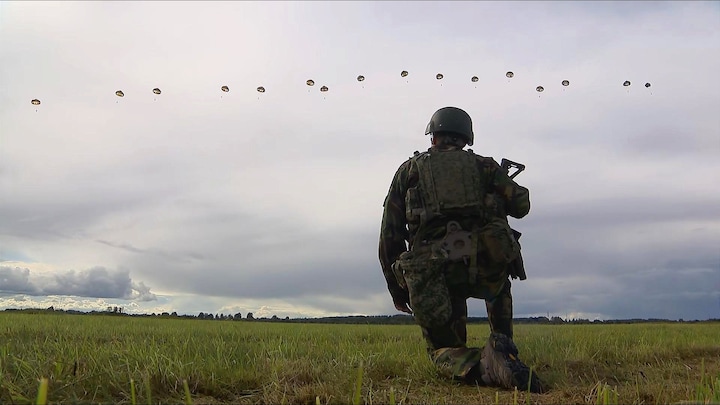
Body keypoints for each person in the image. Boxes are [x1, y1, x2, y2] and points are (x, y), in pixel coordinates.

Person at [378, 106, 546, 393]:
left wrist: (398, 288)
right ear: (467, 137)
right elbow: (522, 206)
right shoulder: (486, 167)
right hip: (487, 268)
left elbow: (390, 236)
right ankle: (503, 349)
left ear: (433, 137)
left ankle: (480, 365)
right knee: (498, 280)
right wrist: (497, 194)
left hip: (436, 273)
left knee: (443, 350)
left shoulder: (410, 170)